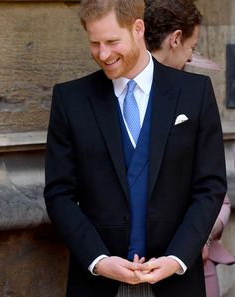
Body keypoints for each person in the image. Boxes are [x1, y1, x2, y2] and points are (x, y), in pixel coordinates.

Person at [43, 0, 227, 296]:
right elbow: (58, 194)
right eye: (95, 43)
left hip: (176, 281)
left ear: (138, 28)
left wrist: (177, 258)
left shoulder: (195, 93)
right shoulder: (70, 99)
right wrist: (99, 260)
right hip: (97, 282)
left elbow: (210, 186)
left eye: (112, 41)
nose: (103, 54)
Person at [144, 1, 235, 296]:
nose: (190, 57)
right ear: (175, 39)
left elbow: (213, 187)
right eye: (191, 47)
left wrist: (199, 237)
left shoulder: (197, 92)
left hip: (188, 264)